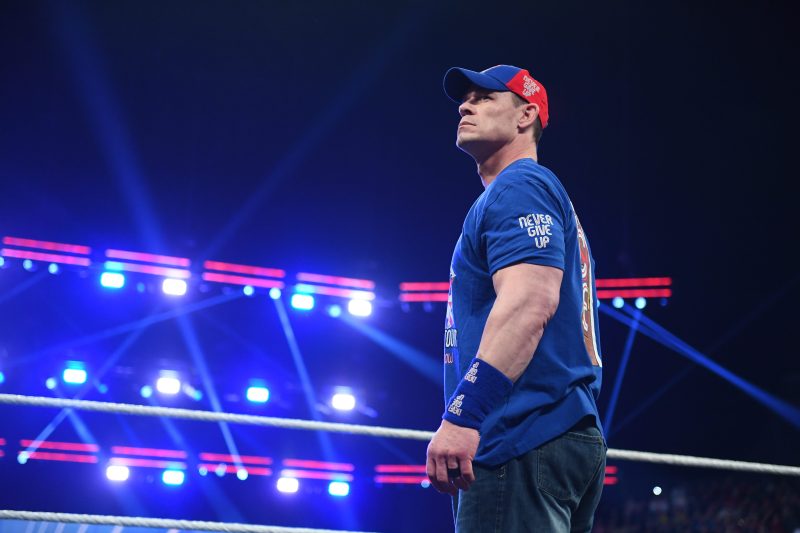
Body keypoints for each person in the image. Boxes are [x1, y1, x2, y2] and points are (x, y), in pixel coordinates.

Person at [425, 64, 606, 532]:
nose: (465, 107)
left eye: (485, 98)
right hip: (551, 431)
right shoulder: (531, 192)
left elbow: (529, 304)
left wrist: (465, 413)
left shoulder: (521, 185)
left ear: (526, 115)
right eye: (465, 99)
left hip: (521, 432)